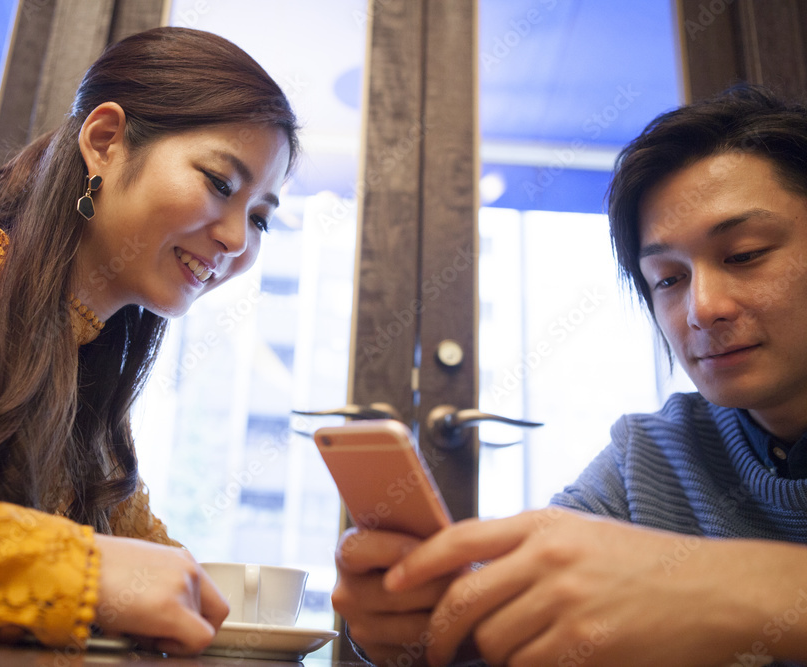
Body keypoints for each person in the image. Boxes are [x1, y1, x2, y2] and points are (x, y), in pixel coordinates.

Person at [0, 26, 298, 654]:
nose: (237, 239)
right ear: (104, 141)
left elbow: (162, 585)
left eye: (260, 217)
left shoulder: (91, 391)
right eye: (221, 184)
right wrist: (65, 570)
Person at [332, 84, 807, 667]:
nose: (702, 308)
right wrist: (416, 618)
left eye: (745, 254)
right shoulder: (656, 453)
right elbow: (536, 587)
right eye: (667, 279)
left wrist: (734, 589)